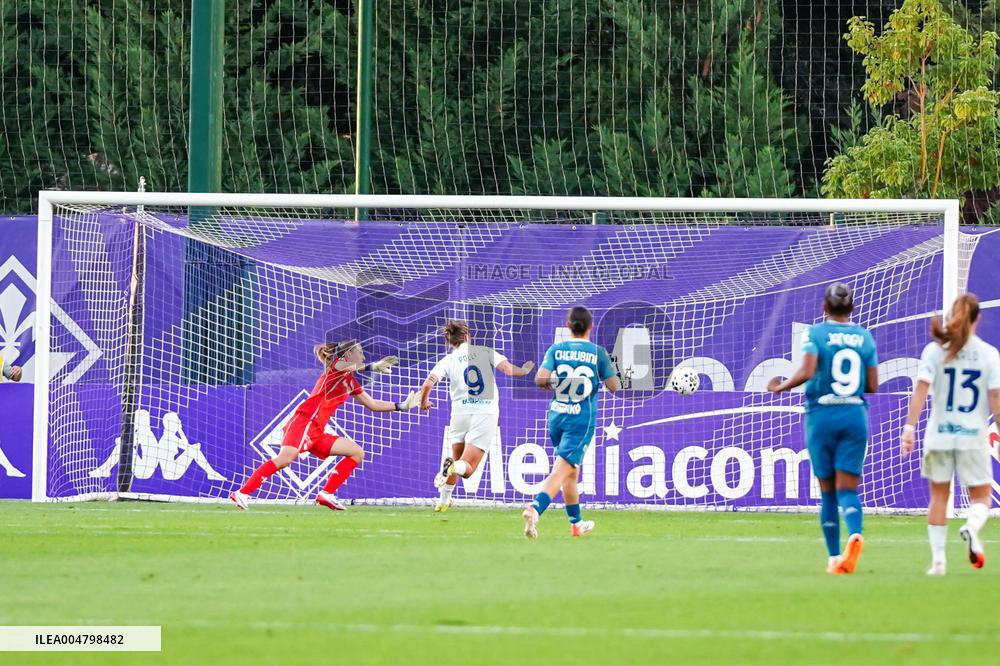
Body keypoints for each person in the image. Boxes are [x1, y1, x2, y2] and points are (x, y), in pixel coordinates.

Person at [230, 340, 418, 511]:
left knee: (356, 452)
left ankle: (326, 494)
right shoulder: (334, 367)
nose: (363, 356)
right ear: (348, 354)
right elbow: (345, 365)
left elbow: (373, 405)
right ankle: (242, 493)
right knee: (286, 458)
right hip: (304, 421)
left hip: (318, 430)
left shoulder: (349, 381)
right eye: (360, 352)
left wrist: (402, 406)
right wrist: (372, 366)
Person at [768, 283, 878, 574]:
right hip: (854, 414)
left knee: (827, 491)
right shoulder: (864, 337)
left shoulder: (815, 333)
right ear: (851, 308)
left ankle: (833, 558)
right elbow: (873, 385)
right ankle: (855, 533)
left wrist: (781, 386)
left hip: (822, 414)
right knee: (848, 489)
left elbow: (806, 371)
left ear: (824, 308)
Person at [901, 293, 1000, 575]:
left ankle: (938, 562)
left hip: (939, 435)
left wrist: (909, 428)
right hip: (972, 435)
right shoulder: (989, 353)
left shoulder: (934, 351)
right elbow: (996, 400)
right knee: (981, 497)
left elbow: (920, 391)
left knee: (939, 498)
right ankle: (971, 526)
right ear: (977, 319)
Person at [523, 306, 619, 539]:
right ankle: (535, 509)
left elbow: (541, 378)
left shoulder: (557, 349)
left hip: (557, 416)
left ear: (568, 326)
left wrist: (558, 381)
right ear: (591, 326)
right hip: (580, 420)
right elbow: (613, 386)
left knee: (571, 472)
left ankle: (576, 524)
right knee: (561, 470)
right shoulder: (598, 353)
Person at [422, 320, 534, 512]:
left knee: (457, 460)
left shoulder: (447, 360)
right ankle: (450, 470)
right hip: (485, 411)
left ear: (450, 341)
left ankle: (442, 501)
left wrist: (424, 401)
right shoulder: (484, 351)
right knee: (467, 469)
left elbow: (427, 384)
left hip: (460, 413)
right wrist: (523, 370)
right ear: (467, 337)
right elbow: (508, 370)